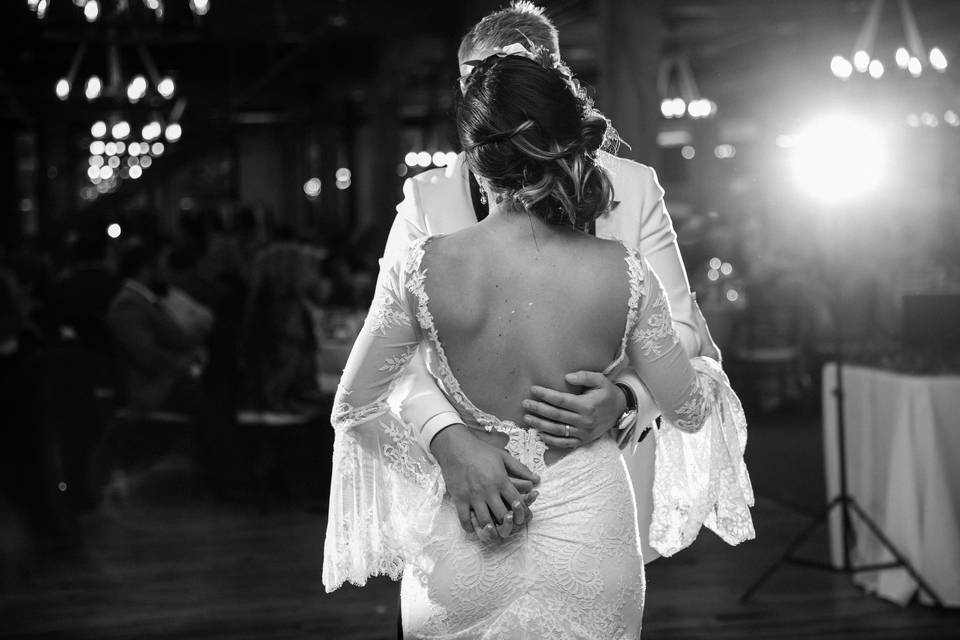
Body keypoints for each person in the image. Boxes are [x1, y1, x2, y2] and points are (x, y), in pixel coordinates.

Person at [323, 43, 714, 637]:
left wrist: (444, 462)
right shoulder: (628, 273)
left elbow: (354, 406)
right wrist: (688, 378)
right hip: (592, 542)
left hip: (467, 536)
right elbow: (689, 410)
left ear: (477, 159)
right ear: (571, 142)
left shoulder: (422, 268)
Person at [381, 2, 720, 562]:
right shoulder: (426, 198)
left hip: (596, 488)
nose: (495, 102)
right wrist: (447, 438)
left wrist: (626, 399)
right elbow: (394, 352)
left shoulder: (633, 188)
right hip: (468, 491)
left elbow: (683, 329)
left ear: (558, 85)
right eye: (477, 86)